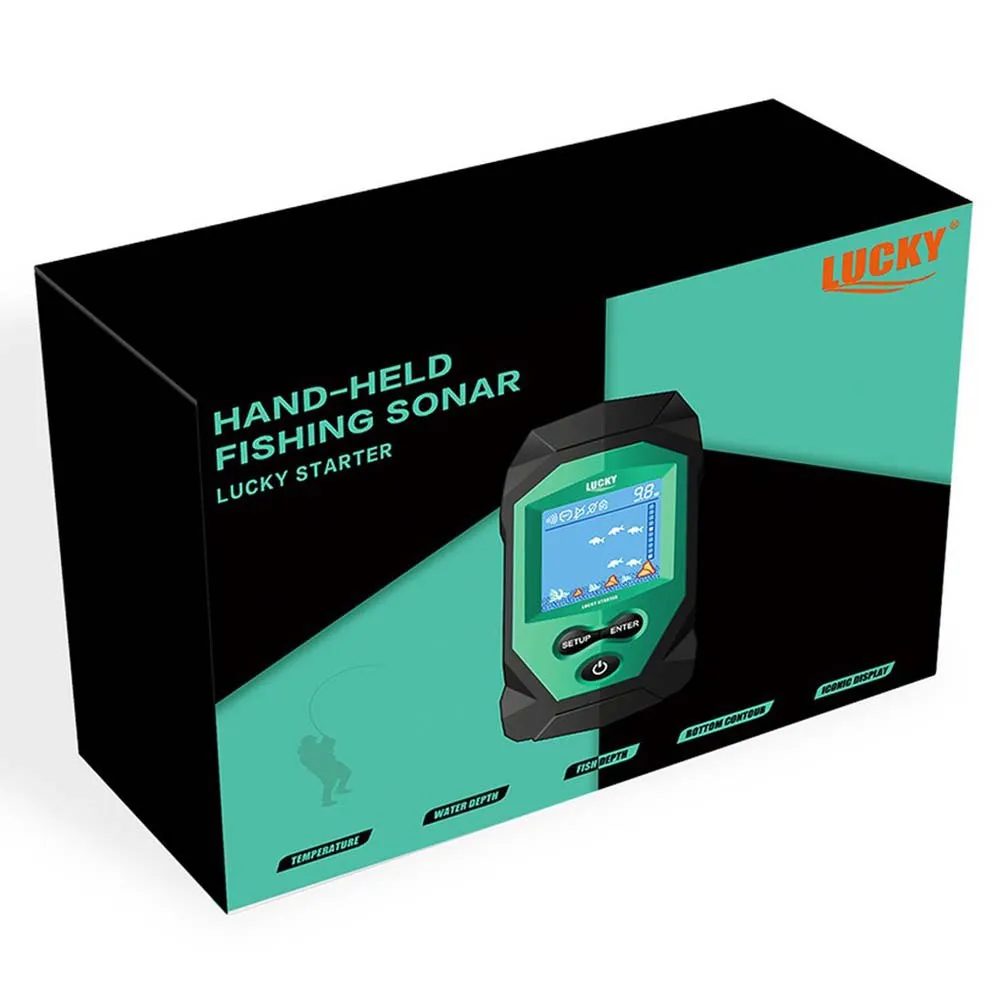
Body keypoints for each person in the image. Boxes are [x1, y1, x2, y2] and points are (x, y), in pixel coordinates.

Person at [298, 735, 352, 806]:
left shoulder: (315, 747)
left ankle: (340, 788)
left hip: (332, 764)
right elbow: (321, 752)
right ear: (308, 743)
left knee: (346, 772)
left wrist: (329, 741)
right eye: (313, 741)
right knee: (329, 782)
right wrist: (327, 742)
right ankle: (326, 800)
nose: (315, 742)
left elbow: (328, 749)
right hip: (322, 769)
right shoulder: (305, 752)